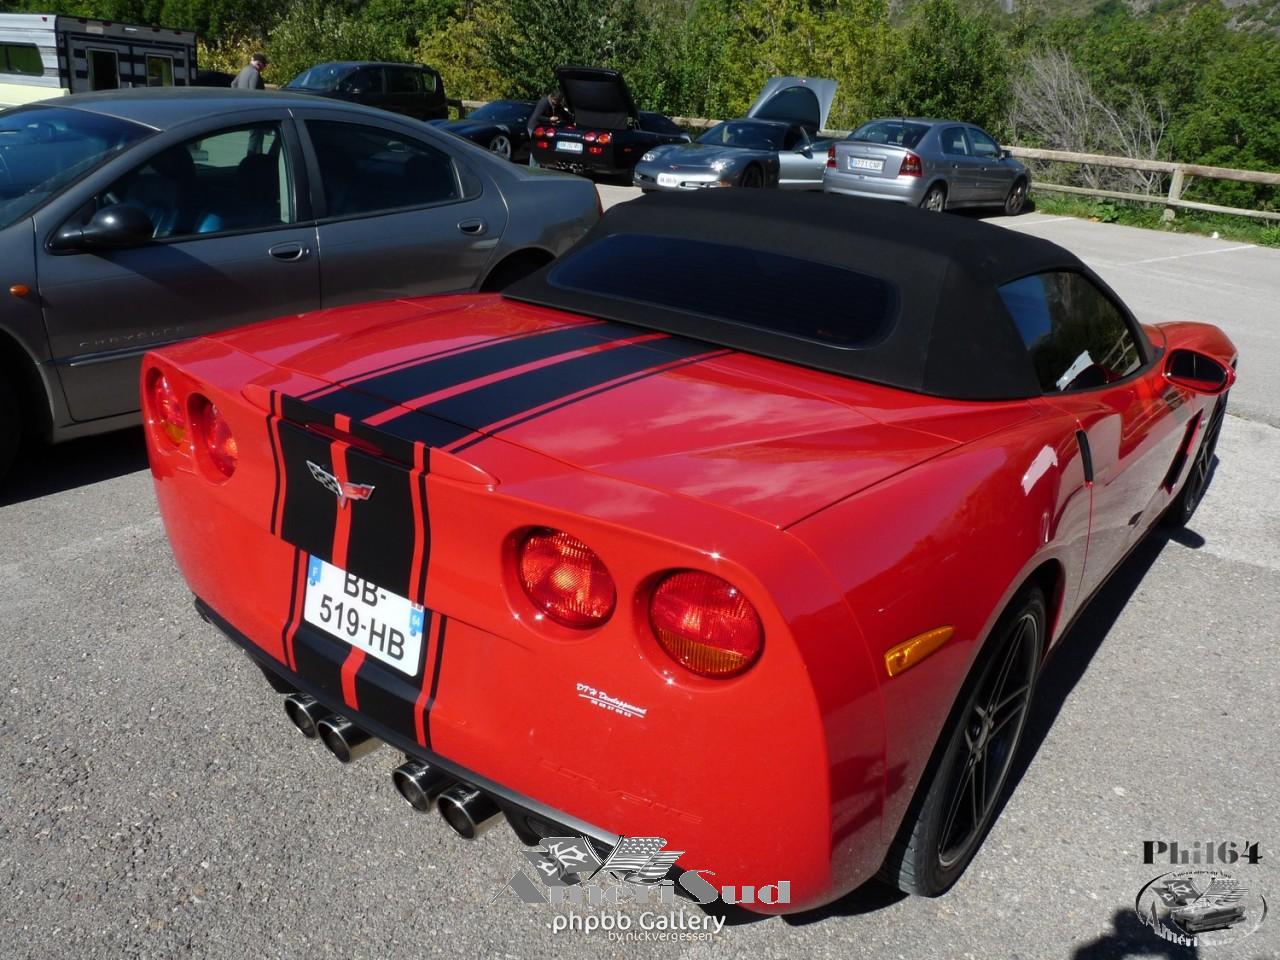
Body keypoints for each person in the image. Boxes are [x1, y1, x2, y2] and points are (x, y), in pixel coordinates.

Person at [526, 91, 570, 166]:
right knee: (537, 147)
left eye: (558, 101)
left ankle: (541, 165)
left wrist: (571, 120)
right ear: (552, 98)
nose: (557, 103)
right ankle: (533, 167)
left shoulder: (556, 104)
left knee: (543, 148)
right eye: (556, 101)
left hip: (543, 128)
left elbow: (564, 113)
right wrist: (549, 119)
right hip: (534, 127)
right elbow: (537, 116)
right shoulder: (544, 102)